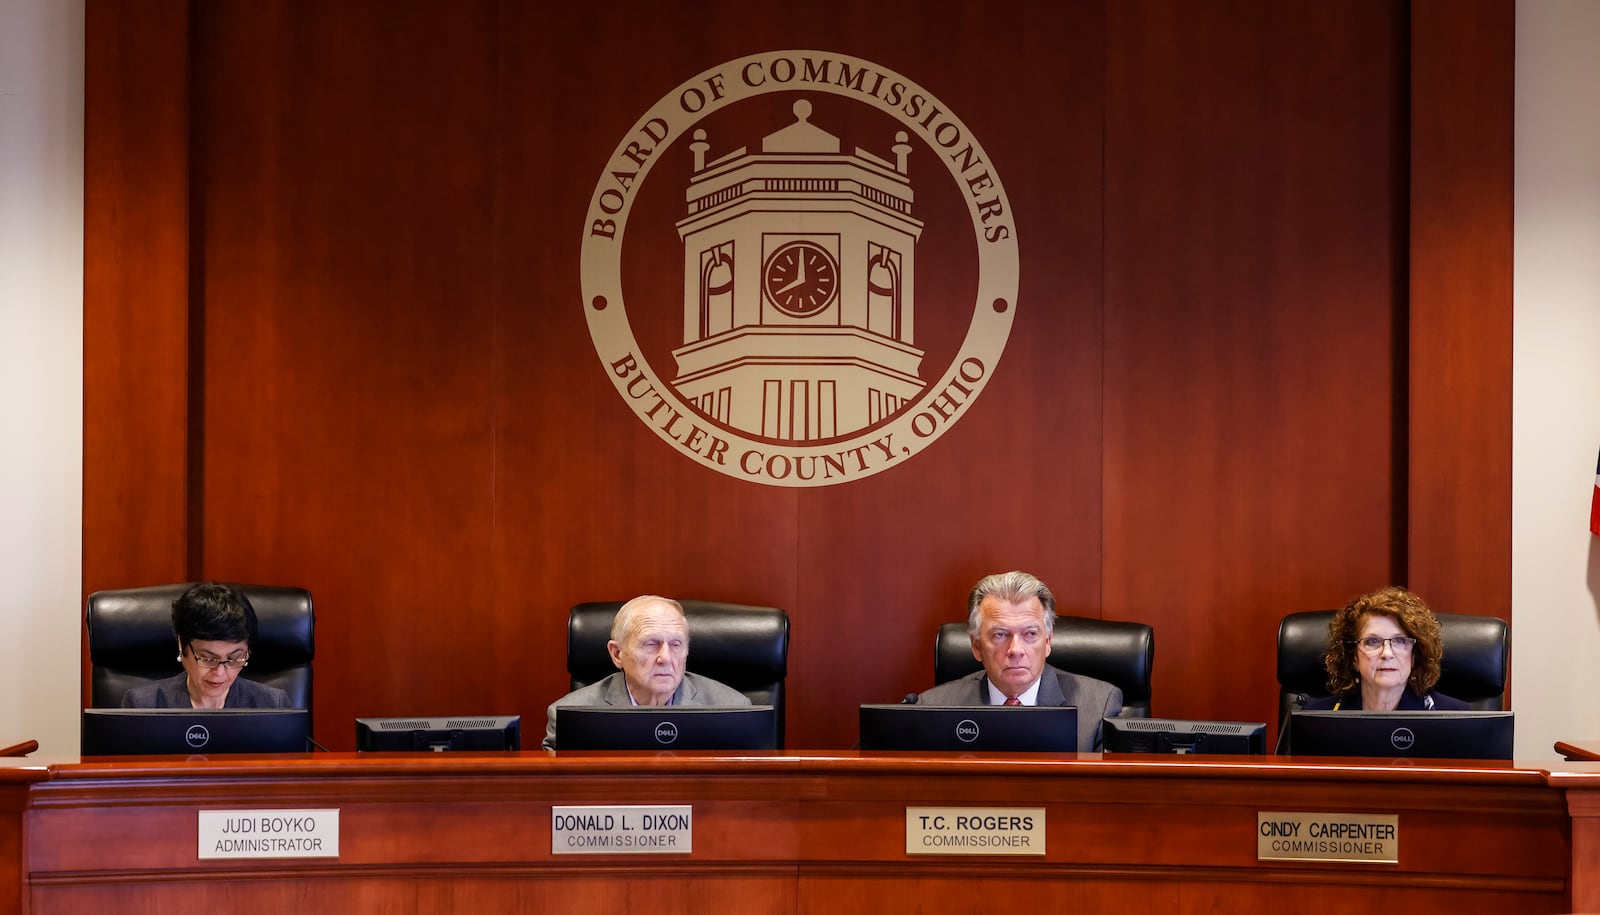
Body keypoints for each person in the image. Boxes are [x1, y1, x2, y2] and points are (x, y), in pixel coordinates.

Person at [915, 571, 1123, 751]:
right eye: (1000, 635)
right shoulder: (931, 709)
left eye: (1030, 634)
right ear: (976, 646)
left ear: (1048, 641)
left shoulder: (1098, 706)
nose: (1016, 650)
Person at [543, 595, 750, 750]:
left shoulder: (735, 710)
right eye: (651, 644)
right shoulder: (569, 717)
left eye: (676, 644)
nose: (666, 658)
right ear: (617, 654)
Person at [121, 582, 292, 709]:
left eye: (234, 659)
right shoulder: (143, 706)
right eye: (208, 658)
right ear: (182, 645)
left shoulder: (272, 705)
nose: (220, 672)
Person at [1302, 586, 1469, 711]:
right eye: (1372, 641)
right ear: (1353, 657)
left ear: (1414, 655)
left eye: (1399, 641)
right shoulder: (1316, 719)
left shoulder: (1457, 718)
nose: (1387, 653)